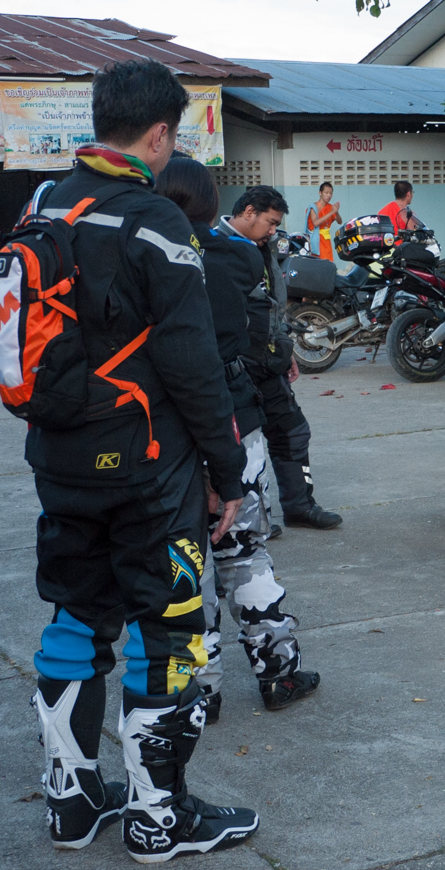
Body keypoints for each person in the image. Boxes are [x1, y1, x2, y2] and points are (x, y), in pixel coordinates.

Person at [18, 59, 259, 860]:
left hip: (59, 459)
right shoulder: (157, 221)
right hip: (150, 468)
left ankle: (73, 803)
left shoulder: (42, 205)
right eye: (175, 136)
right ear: (159, 134)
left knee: (76, 617)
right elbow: (193, 364)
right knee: (170, 628)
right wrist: (228, 470)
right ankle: (160, 818)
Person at [155, 162, 320, 726]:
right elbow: (252, 330)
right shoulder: (238, 257)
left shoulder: (140, 258)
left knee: (184, 562)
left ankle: (199, 692)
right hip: (232, 417)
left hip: (166, 428)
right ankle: (279, 673)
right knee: (244, 553)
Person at [229, 187, 344, 532]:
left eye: (277, 224)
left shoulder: (263, 247)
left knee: (293, 431)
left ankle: (299, 507)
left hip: (269, 360)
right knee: (242, 445)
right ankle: (252, 521)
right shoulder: (215, 246)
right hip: (235, 366)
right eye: (270, 222)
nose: (273, 230)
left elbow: (274, 306)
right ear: (249, 211)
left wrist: (284, 346)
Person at [304, 182, 342, 261]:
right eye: (326, 193)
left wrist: (336, 212)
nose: (329, 195)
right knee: (317, 263)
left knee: (327, 263)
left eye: (330, 193)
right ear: (320, 193)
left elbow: (339, 221)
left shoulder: (331, 207)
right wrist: (331, 212)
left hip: (326, 241)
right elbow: (315, 223)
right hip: (316, 241)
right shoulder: (313, 207)